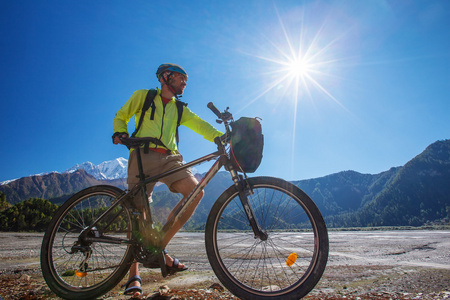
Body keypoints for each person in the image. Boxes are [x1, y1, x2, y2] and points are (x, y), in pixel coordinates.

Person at [112, 63, 223, 296]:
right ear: (166, 77)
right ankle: (133, 275)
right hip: (142, 154)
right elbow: (121, 115)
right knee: (137, 212)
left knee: (195, 191)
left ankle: (158, 247)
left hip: (170, 159)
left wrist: (221, 137)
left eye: (186, 80)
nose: (185, 83)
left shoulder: (180, 109)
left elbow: (200, 125)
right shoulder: (143, 97)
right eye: (181, 78)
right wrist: (120, 131)